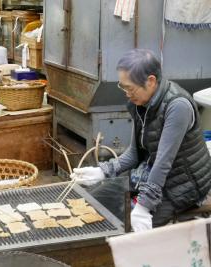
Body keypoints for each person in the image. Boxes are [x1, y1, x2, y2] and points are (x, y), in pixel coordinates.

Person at [71, 49, 211, 232]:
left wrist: (144, 206)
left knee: (126, 226)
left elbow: (163, 162)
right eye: (123, 87)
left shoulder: (178, 106)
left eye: (130, 88)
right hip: (150, 174)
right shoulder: (141, 103)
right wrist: (103, 171)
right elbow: (134, 154)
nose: (127, 94)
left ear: (151, 81)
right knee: (95, 201)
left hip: (183, 183)